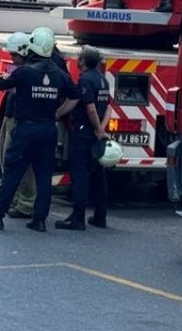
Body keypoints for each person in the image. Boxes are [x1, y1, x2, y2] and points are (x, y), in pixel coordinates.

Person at [0, 27, 78, 232]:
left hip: (26, 130)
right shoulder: (59, 75)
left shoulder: (25, 72)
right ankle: (39, 219)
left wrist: (5, 76)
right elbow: (75, 96)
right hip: (48, 130)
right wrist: (58, 113)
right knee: (44, 176)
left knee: (12, 174)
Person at [55, 46, 111, 231]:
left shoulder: (86, 80)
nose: (77, 60)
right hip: (96, 135)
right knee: (98, 176)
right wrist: (101, 130)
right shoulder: (103, 80)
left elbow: (90, 108)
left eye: (79, 58)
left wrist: (96, 128)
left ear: (84, 61)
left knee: (79, 176)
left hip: (84, 133)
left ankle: (77, 218)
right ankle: (100, 216)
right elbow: (109, 107)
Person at [0, 32, 38, 220]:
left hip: (20, 120)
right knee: (9, 160)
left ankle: (24, 203)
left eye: (14, 55)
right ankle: (15, 200)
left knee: (18, 162)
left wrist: (6, 79)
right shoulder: (29, 69)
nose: (11, 58)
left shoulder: (27, 71)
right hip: (13, 116)